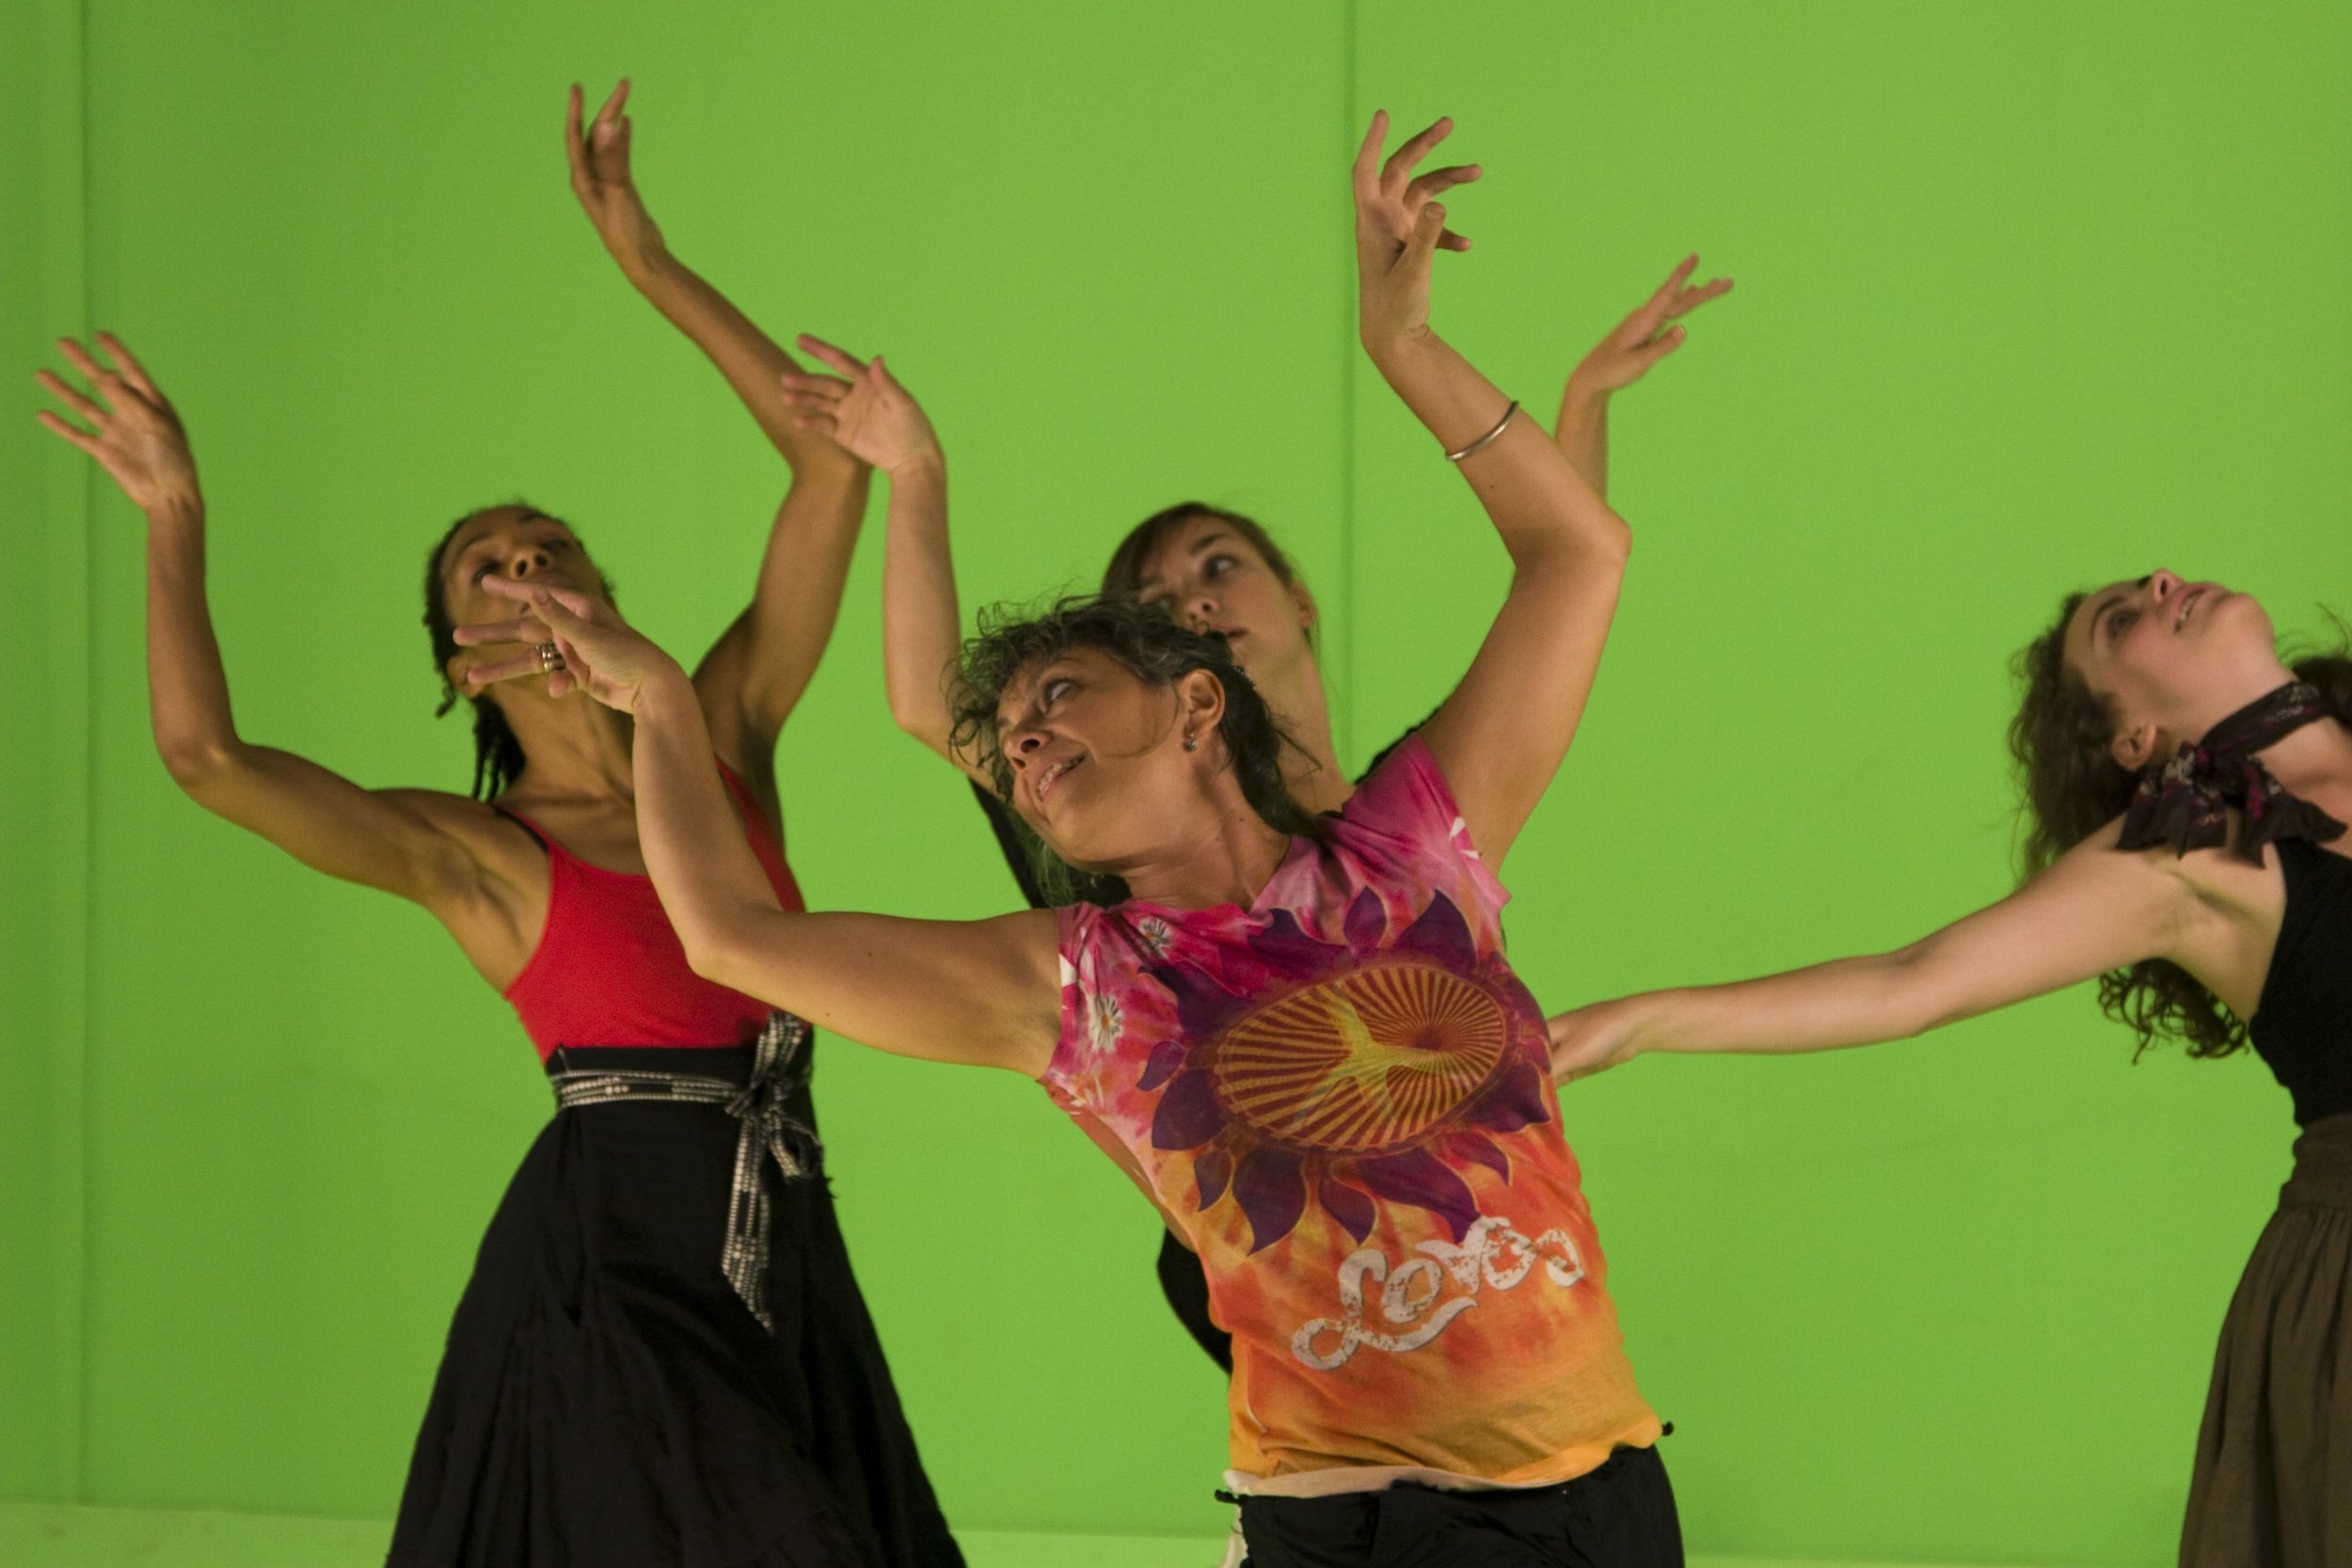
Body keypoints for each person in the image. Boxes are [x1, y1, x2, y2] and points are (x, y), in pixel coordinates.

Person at [463, 112, 1682, 1567]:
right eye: (1016, 740)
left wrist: (1404, 345)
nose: (1026, 742)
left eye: (1057, 697)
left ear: (1193, 701)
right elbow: (735, 937)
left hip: (1603, 1493)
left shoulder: (1409, 842)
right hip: (1354, 1519)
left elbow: (1578, 553)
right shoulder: (1078, 982)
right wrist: (662, 697)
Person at [30, 79, 961, 1568]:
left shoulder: (715, 732)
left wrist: (647, 261)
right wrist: (174, 518)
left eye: (551, 549)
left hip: (782, 1245)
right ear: (462, 659)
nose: (526, 568)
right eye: (487, 568)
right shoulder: (476, 855)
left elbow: (827, 467)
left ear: (602, 595)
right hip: (613, 1270)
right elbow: (206, 755)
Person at [778, 121, 1729, 1370]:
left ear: (1297, 602)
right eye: (1155, 597)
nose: (1193, 598)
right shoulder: (1111, 806)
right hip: (1253, 1245)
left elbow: (1563, 573)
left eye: (1219, 563)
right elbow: (926, 702)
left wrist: (1572, 405)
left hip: (1446, 1207)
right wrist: (918, 471)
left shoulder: (1402, 819)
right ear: (1163, 690)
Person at [1546, 576, 2352, 1566]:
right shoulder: (2189, 846)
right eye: (2119, 619)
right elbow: (1909, 981)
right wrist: (1633, 1021)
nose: (2157, 581)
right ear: (2135, 738)